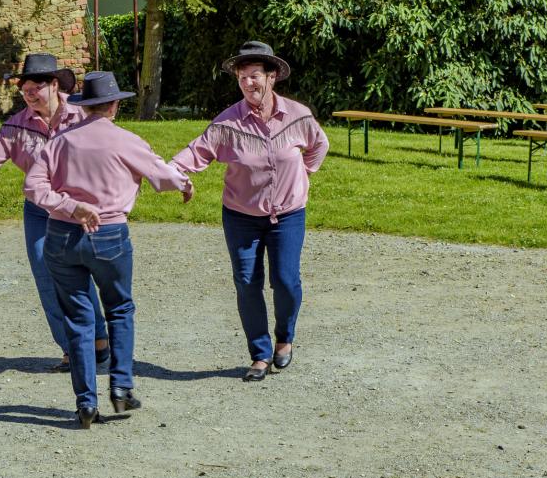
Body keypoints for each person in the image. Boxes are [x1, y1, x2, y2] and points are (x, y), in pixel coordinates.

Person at [24, 71, 193, 428]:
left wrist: (70, 206)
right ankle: (121, 387)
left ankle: (86, 402)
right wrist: (184, 184)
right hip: (109, 232)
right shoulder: (127, 141)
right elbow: (163, 178)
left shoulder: (58, 142)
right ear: (115, 105)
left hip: (61, 235)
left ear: (85, 107)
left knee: (77, 318)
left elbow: (33, 187)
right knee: (119, 308)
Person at [171, 41, 328, 383]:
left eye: (254, 75)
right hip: (241, 216)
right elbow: (196, 152)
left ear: (272, 77)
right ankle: (260, 354)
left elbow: (319, 144)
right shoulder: (228, 123)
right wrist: (170, 173)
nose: (247, 83)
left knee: (285, 280)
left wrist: (304, 174)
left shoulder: (298, 116)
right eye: (242, 77)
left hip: (287, 215)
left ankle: (285, 338)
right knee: (246, 282)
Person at [0, 53, 108, 371]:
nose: (29, 95)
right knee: (45, 273)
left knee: (76, 272)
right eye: (24, 89)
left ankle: (98, 338)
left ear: (54, 85)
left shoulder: (81, 116)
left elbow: (109, 148)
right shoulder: (17, 125)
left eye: (35, 88)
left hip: (77, 208)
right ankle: (71, 347)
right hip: (39, 209)